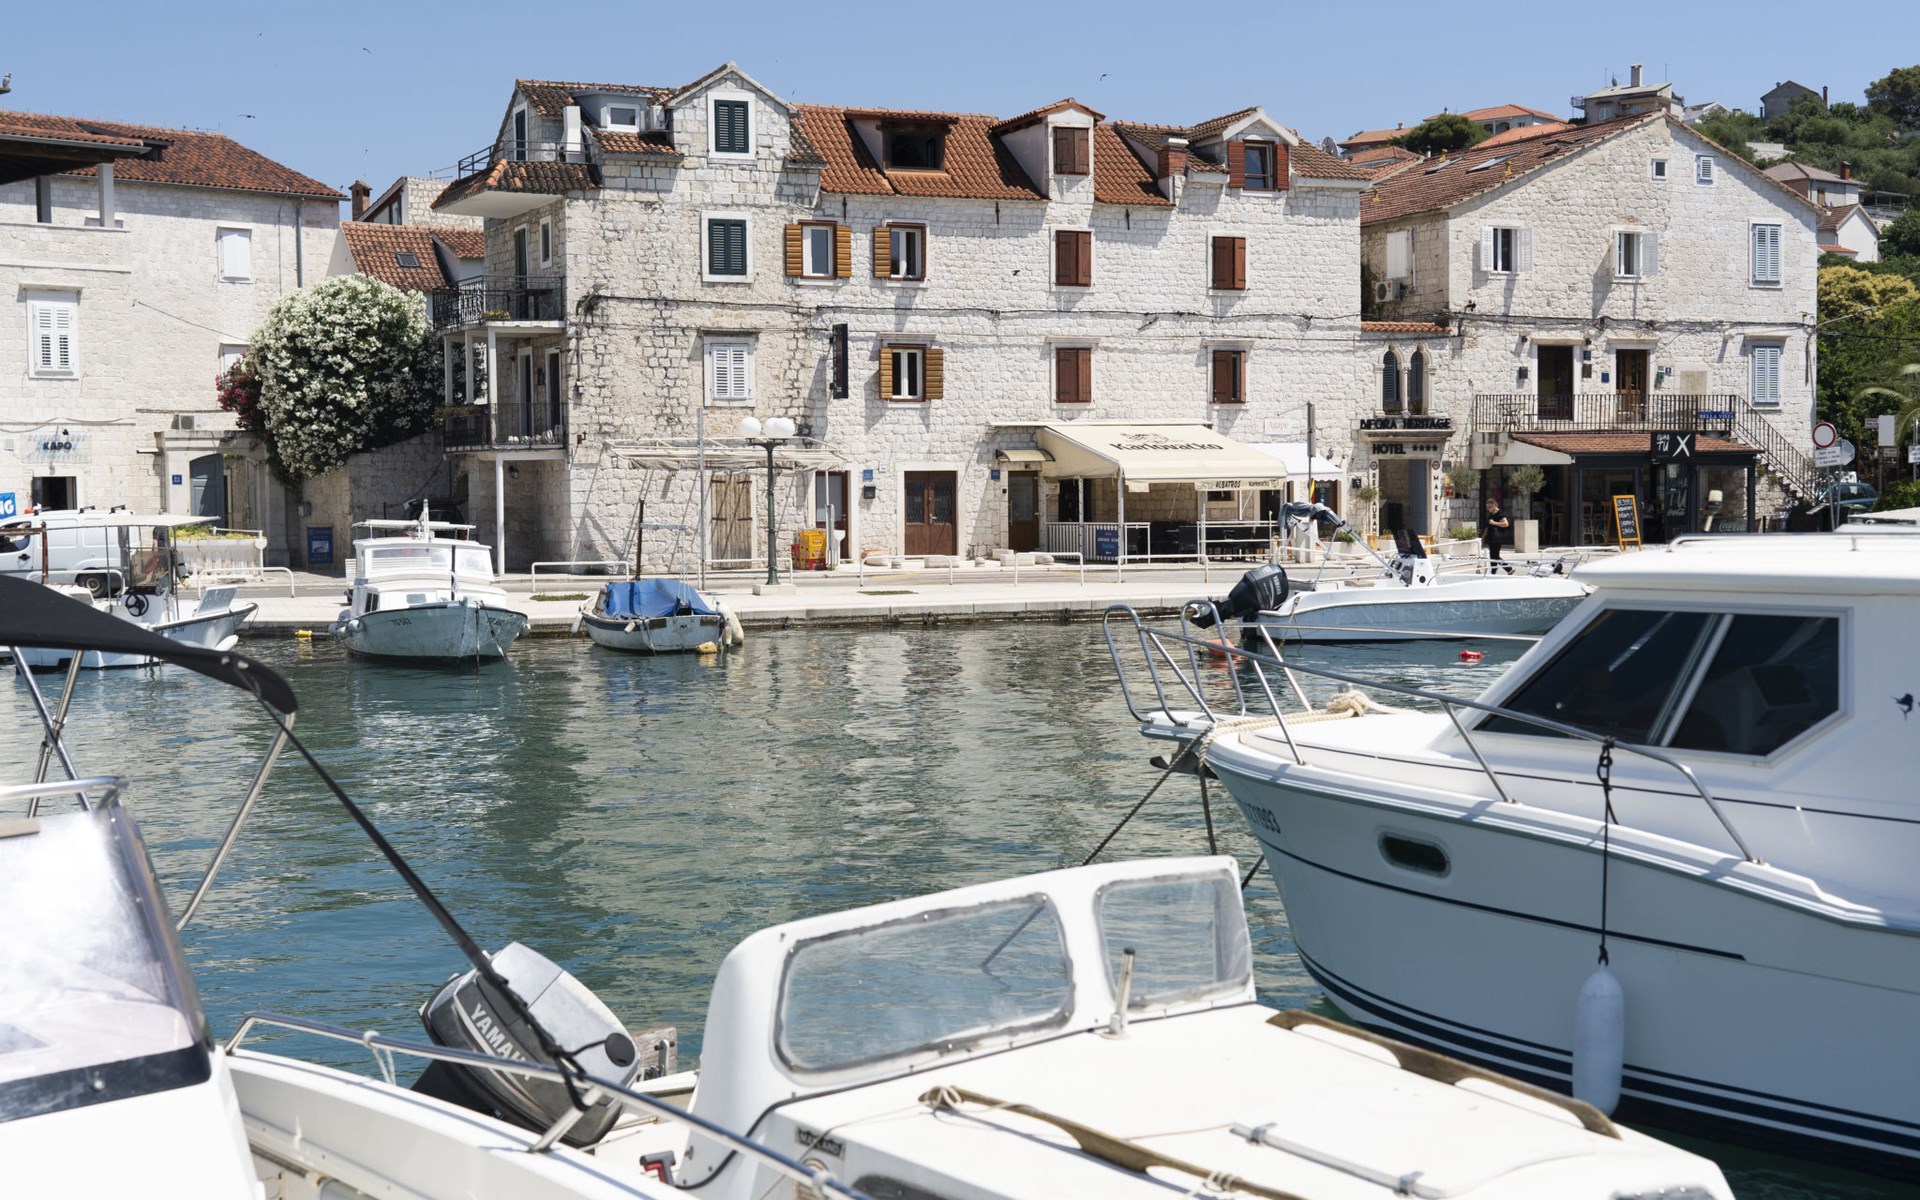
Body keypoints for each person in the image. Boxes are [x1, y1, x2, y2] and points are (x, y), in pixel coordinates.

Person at [1482, 497, 1512, 573]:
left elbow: (1506, 524)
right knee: (1492, 556)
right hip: (1491, 538)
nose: (1488, 509)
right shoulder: (1491, 515)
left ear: (1495, 505)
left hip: (1497, 538)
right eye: (1487, 507)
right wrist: (1483, 536)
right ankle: (1494, 572)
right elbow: (1487, 526)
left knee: (1495, 556)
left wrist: (1494, 523)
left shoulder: (1500, 514)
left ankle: (1508, 569)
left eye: (1490, 507)